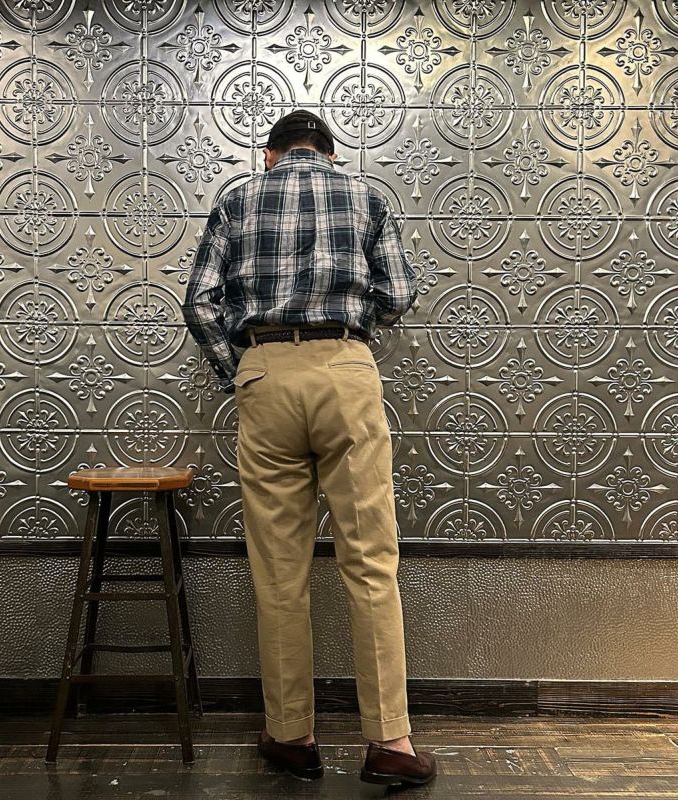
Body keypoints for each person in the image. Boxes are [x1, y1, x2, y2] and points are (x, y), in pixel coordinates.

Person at [182, 109, 435, 788]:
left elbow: (199, 302)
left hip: (265, 371)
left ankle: (292, 735)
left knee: (279, 569)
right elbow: (399, 293)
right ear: (329, 153)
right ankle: (391, 742)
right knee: (371, 560)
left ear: (270, 154)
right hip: (346, 369)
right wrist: (350, 318)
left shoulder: (237, 197)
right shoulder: (367, 197)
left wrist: (239, 370)